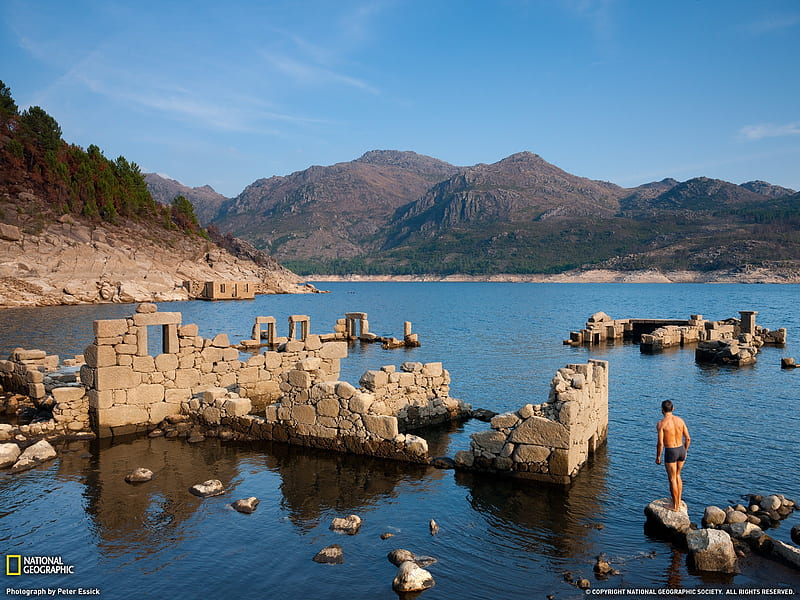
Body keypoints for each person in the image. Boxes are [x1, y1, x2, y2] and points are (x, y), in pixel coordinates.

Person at [656, 400, 691, 511]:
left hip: (671, 451)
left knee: (672, 478)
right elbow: (688, 438)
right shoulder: (680, 421)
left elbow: (660, 443)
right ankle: (678, 502)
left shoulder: (661, 424)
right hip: (681, 449)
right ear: (673, 408)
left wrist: (658, 457)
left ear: (662, 410)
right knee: (678, 476)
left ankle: (675, 506)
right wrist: (685, 450)